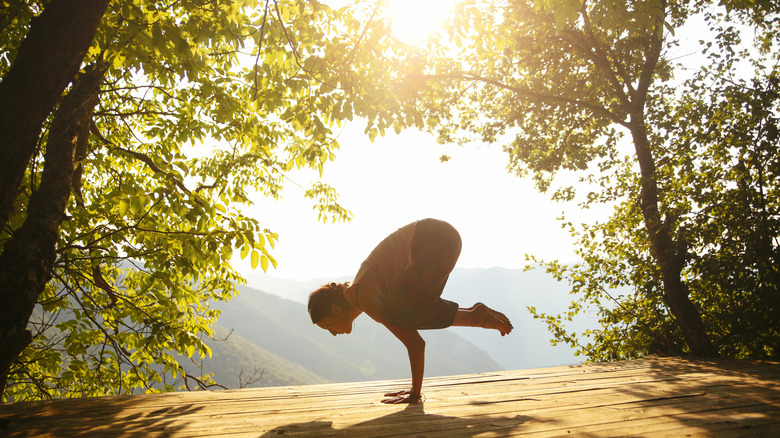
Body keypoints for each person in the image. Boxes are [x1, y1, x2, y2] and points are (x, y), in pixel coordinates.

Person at [308, 218, 513, 404]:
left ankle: (477, 317)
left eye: (327, 326)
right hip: (439, 238)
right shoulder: (360, 292)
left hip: (433, 241)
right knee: (405, 311)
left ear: (336, 310)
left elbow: (415, 344)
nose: (333, 333)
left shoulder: (364, 296)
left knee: (401, 316)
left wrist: (414, 395)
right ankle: (477, 316)